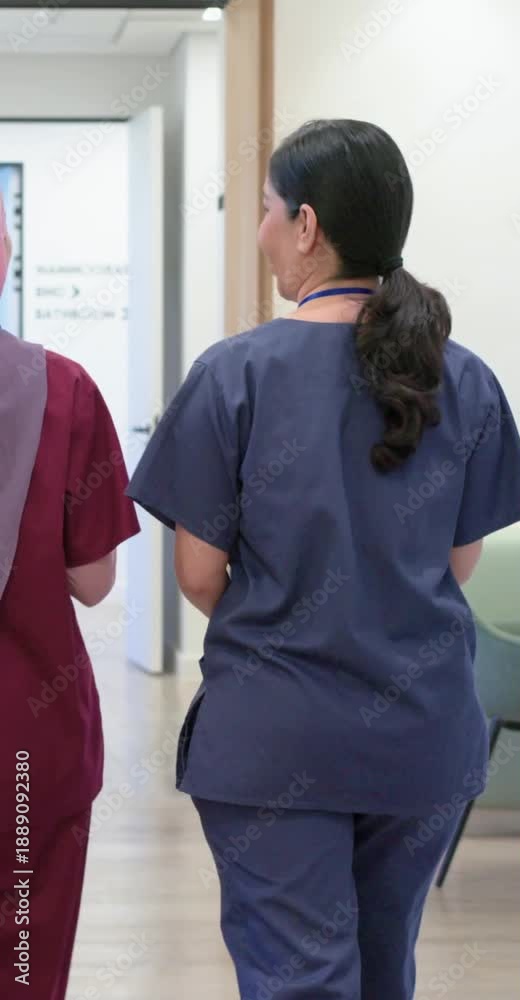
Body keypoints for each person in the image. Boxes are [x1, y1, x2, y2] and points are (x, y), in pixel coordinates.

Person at [126, 119, 520, 1000]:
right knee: (384, 972)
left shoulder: (235, 374)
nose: (262, 231)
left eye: (267, 209)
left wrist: (285, 624)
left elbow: (198, 575)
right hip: (422, 737)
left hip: (275, 741)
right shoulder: (462, 377)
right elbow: (458, 565)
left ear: (307, 225)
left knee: (300, 978)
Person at [0, 192, 140, 998]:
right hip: (27, 742)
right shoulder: (62, 388)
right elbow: (94, 582)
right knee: (23, 958)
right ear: (4, 254)